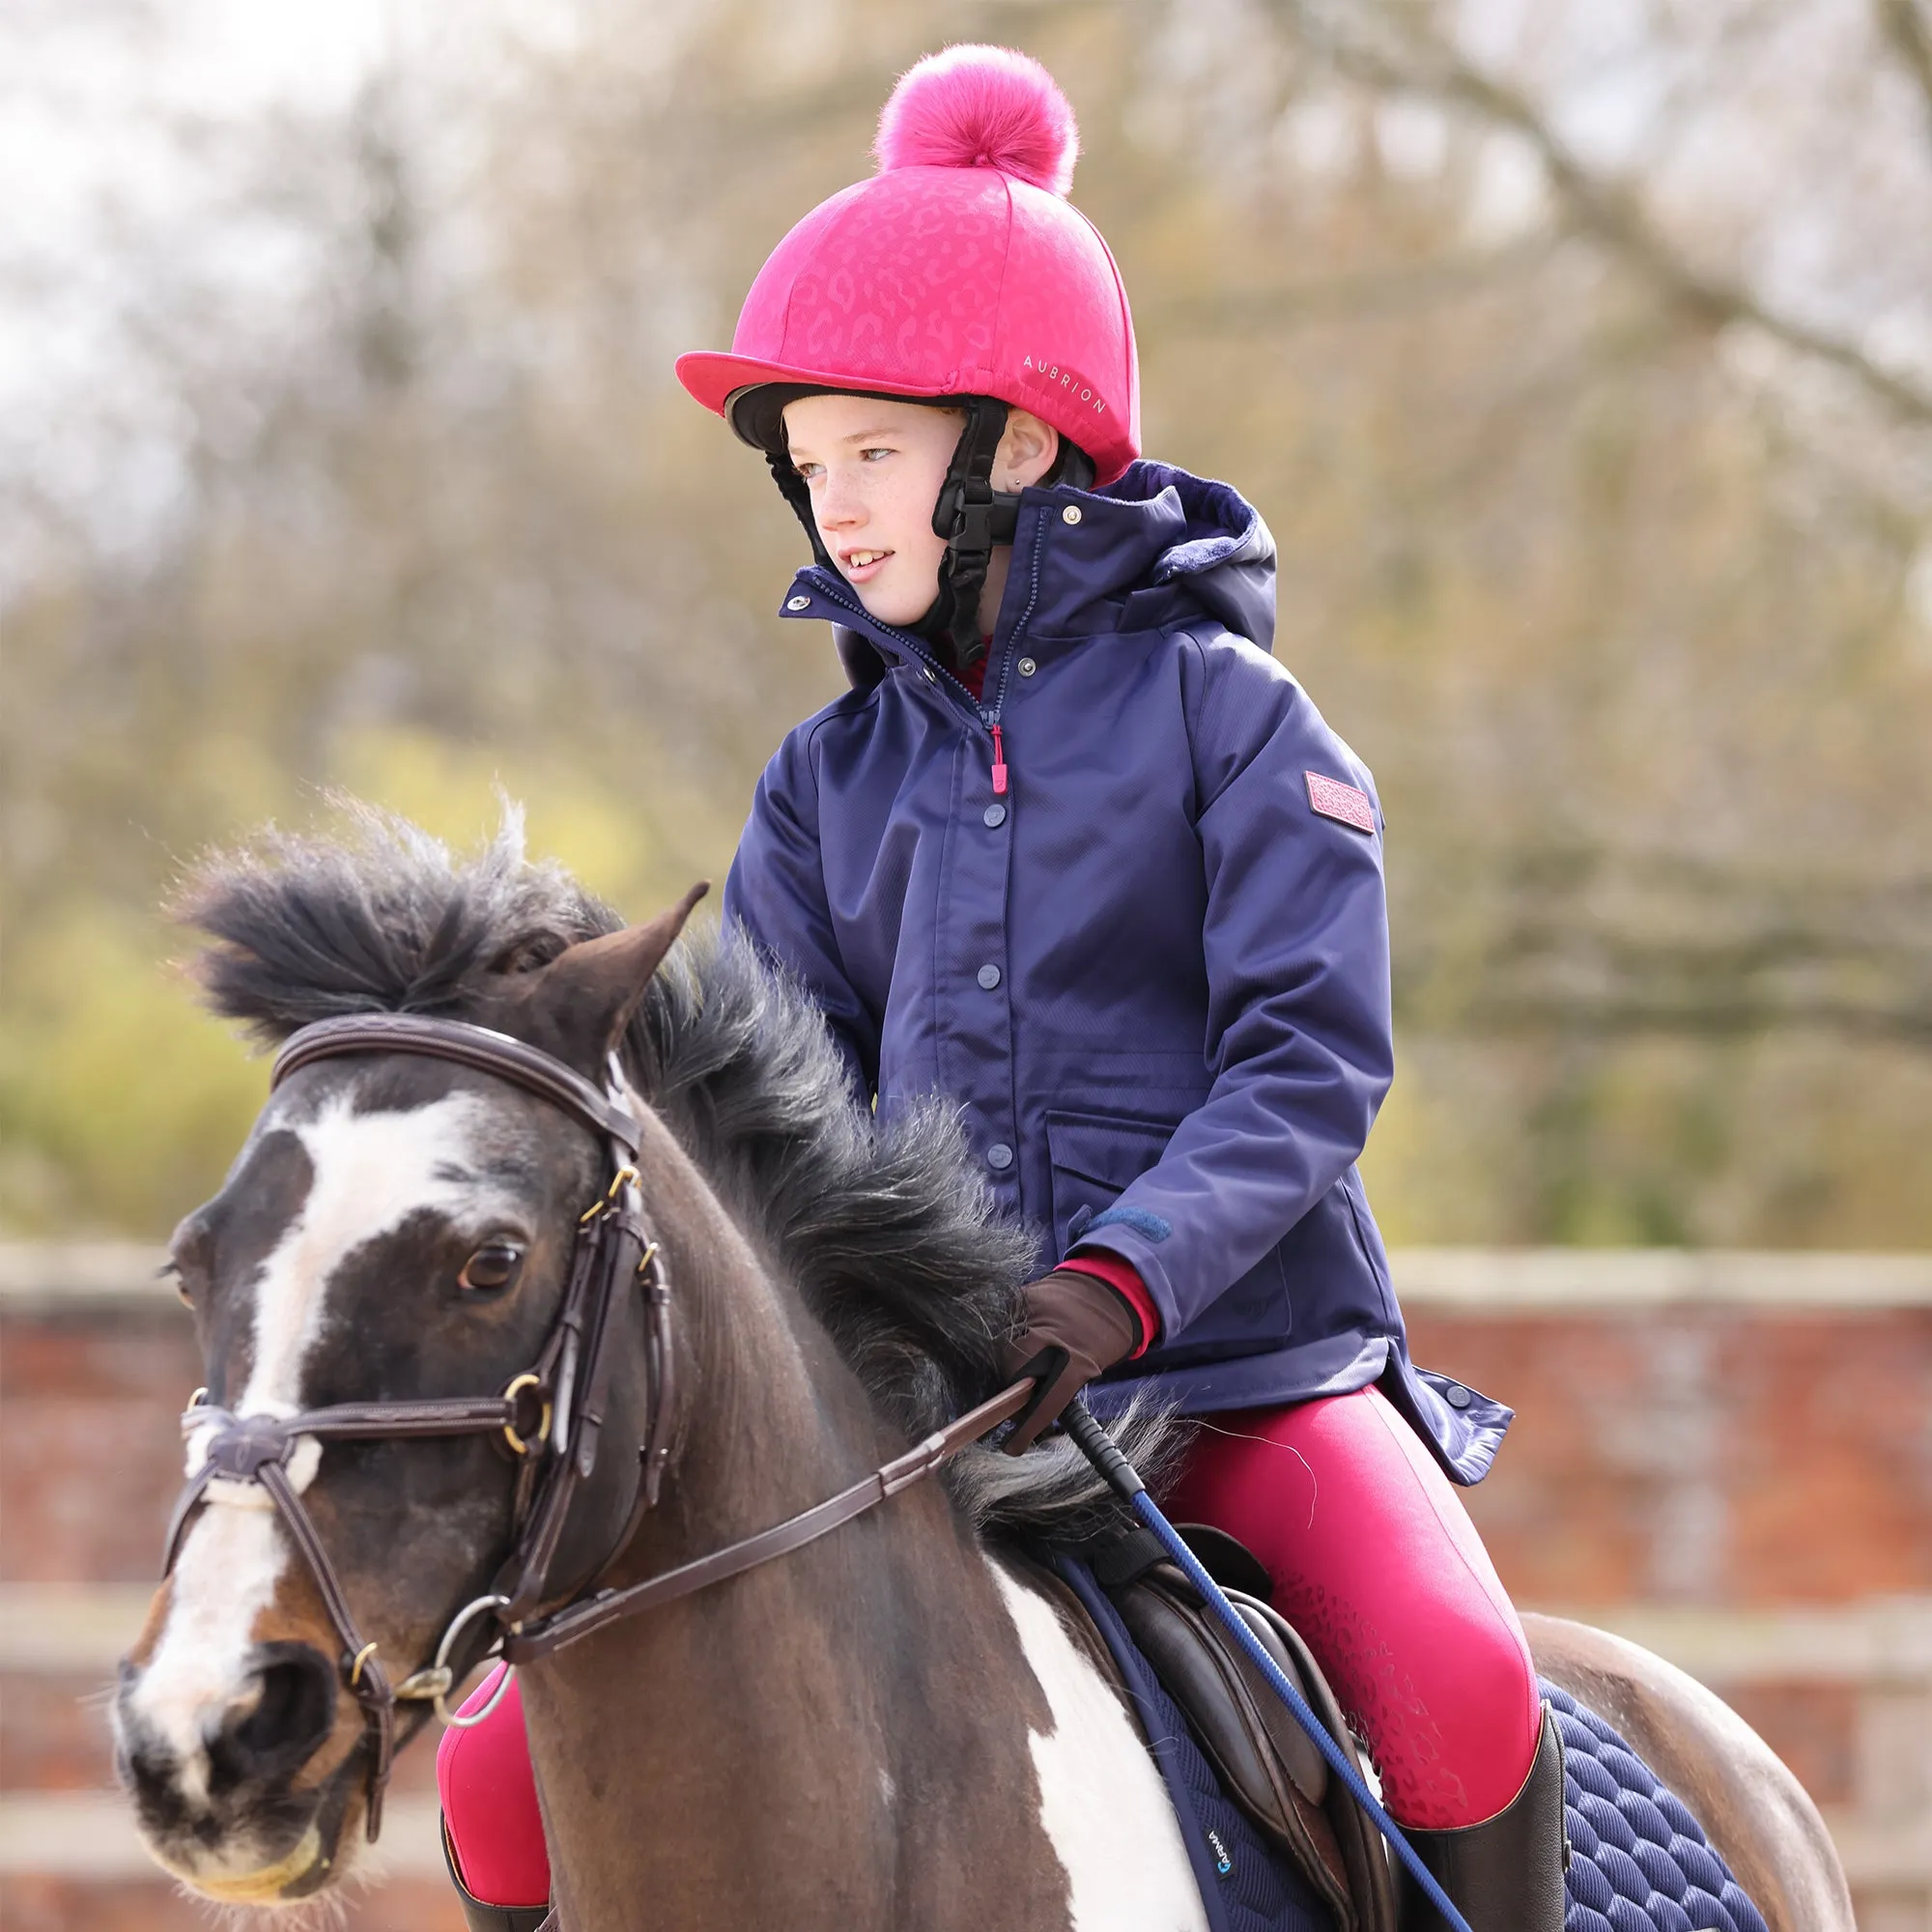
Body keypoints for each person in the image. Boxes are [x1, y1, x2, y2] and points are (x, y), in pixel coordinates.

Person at [439, 43, 1567, 1931]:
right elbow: (778, 1135)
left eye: (874, 453)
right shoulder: (821, 786)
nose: (840, 508)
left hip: (1237, 1369)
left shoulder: (1238, 727)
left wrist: (1117, 1280)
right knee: (491, 1764)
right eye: (813, 470)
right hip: (937, 1400)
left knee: (1463, 1685)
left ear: (1017, 445)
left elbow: (1305, 1067)